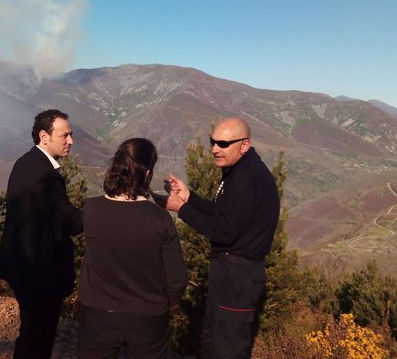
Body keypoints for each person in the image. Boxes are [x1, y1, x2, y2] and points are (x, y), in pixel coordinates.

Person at [166, 117, 280, 359]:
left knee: (225, 347)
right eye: (212, 142)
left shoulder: (247, 178)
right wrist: (189, 197)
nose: (215, 149)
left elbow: (224, 231)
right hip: (232, 274)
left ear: (244, 145)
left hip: (237, 277)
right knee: (216, 340)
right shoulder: (240, 171)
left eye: (223, 143)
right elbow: (224, 214)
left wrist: (182, 210)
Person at [78, 138, 188, 359]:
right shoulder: (159, 218)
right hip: (148, 318)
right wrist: (166, 303)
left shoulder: (91, 209)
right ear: (147, 174)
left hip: (97, 314)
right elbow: (177, 279)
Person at [0, 109, 83, 359]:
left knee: (31, 333)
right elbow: (73, 223)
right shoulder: (46, 175)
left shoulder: (25, 162)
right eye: (65, 135)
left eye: (71, 135)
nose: (71, 141)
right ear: (44, 136)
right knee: (38, 339)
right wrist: (106, 204)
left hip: (22, 267)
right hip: (39, 274)